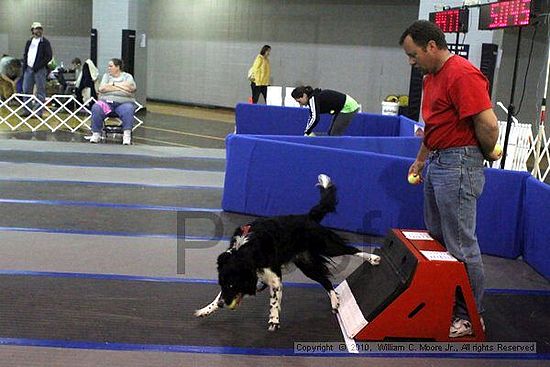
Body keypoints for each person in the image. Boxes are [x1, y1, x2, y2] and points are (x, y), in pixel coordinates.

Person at [399, 20, 501, 338]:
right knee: (439, 241)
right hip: (439, 163)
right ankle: (447, 305)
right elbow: (434, 125)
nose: (412, 63)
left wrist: (481, 154)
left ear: (431, 46)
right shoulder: (432, 78)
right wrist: (420, 160)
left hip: (459, 163)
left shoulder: (462, 73)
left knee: (462, 246)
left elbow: (489, 125)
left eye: (413, 55)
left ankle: (471, 315)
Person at [89, 58, 136, 145]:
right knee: (97, 107)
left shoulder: (127, 76)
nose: (108, 68)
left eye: (111, 66)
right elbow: (101, 88)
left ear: (117, 67)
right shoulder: (106, 76)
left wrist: (112, 85)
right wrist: (121, 87)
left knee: (129, 109)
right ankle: (96, 133)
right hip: (107, 104)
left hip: (123, 104)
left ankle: (126, 135)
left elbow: (131, 88)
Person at [291, 86, 360, 136]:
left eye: (299, 101)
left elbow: (315, 118)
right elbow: (311, 116)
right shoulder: (313, 99)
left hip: (348, 107)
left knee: (334, 135)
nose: (300, 104)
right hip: (342, 107)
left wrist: (307, 131)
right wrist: (307, 131)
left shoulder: (312, 99)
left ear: (304, 95)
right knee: (331, 134)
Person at [22, 21, 53, 117]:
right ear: (32, 30)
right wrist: (25, 67)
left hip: (40, 70)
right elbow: (25, 54)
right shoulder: (29, 41)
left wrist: (39, 65)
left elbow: (49, 56)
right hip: (28, 69)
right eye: (37, 29)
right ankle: (26, 110)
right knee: (26, 90)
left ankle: (38, 112)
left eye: (40, 29)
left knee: (40, 91)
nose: (39, 30)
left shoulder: (45, 42)